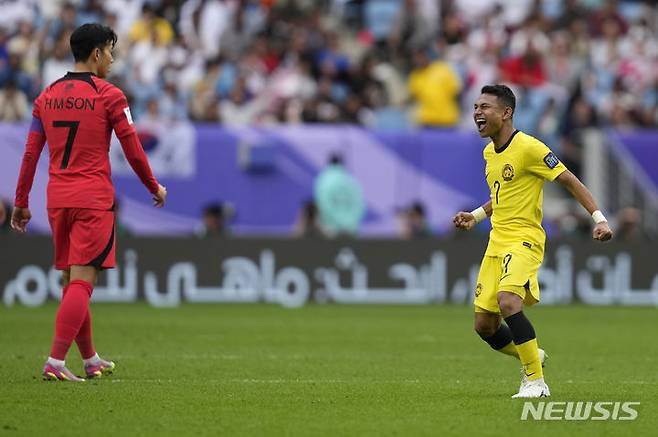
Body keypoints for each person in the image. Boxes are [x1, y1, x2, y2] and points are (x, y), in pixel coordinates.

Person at [11, 23, 167, 382]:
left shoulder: (45, 97)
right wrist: (153, 186)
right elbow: (132, 148)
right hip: (92, 199)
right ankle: (55, 361)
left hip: (57, 200)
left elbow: (31, 154)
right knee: (82, 283)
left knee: (71, 281)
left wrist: (21, 201)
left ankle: (91, 359)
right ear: (96, 53)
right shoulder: (110, 95)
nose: (112, 60)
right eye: (110, 52)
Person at [452, 85, 612, 398]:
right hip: (496, 241)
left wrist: (600, 219)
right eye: (475, 107)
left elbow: (570, 180)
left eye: (484, 107)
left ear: (506, 112)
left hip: (524, 238)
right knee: (484, 325)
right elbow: (501, 196)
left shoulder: (530, 148)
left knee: (508, 301)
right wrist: (475, 216)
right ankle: (530, 354)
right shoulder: (489, 152)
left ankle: (536, 382)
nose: (477, 113)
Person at [314, 153, 365, 237]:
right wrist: (349, 223)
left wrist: (336, 224)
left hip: (330, 230)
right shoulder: (352, 180)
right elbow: (360, 205)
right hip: (351, 229)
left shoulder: (323, 180)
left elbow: (323, 205)